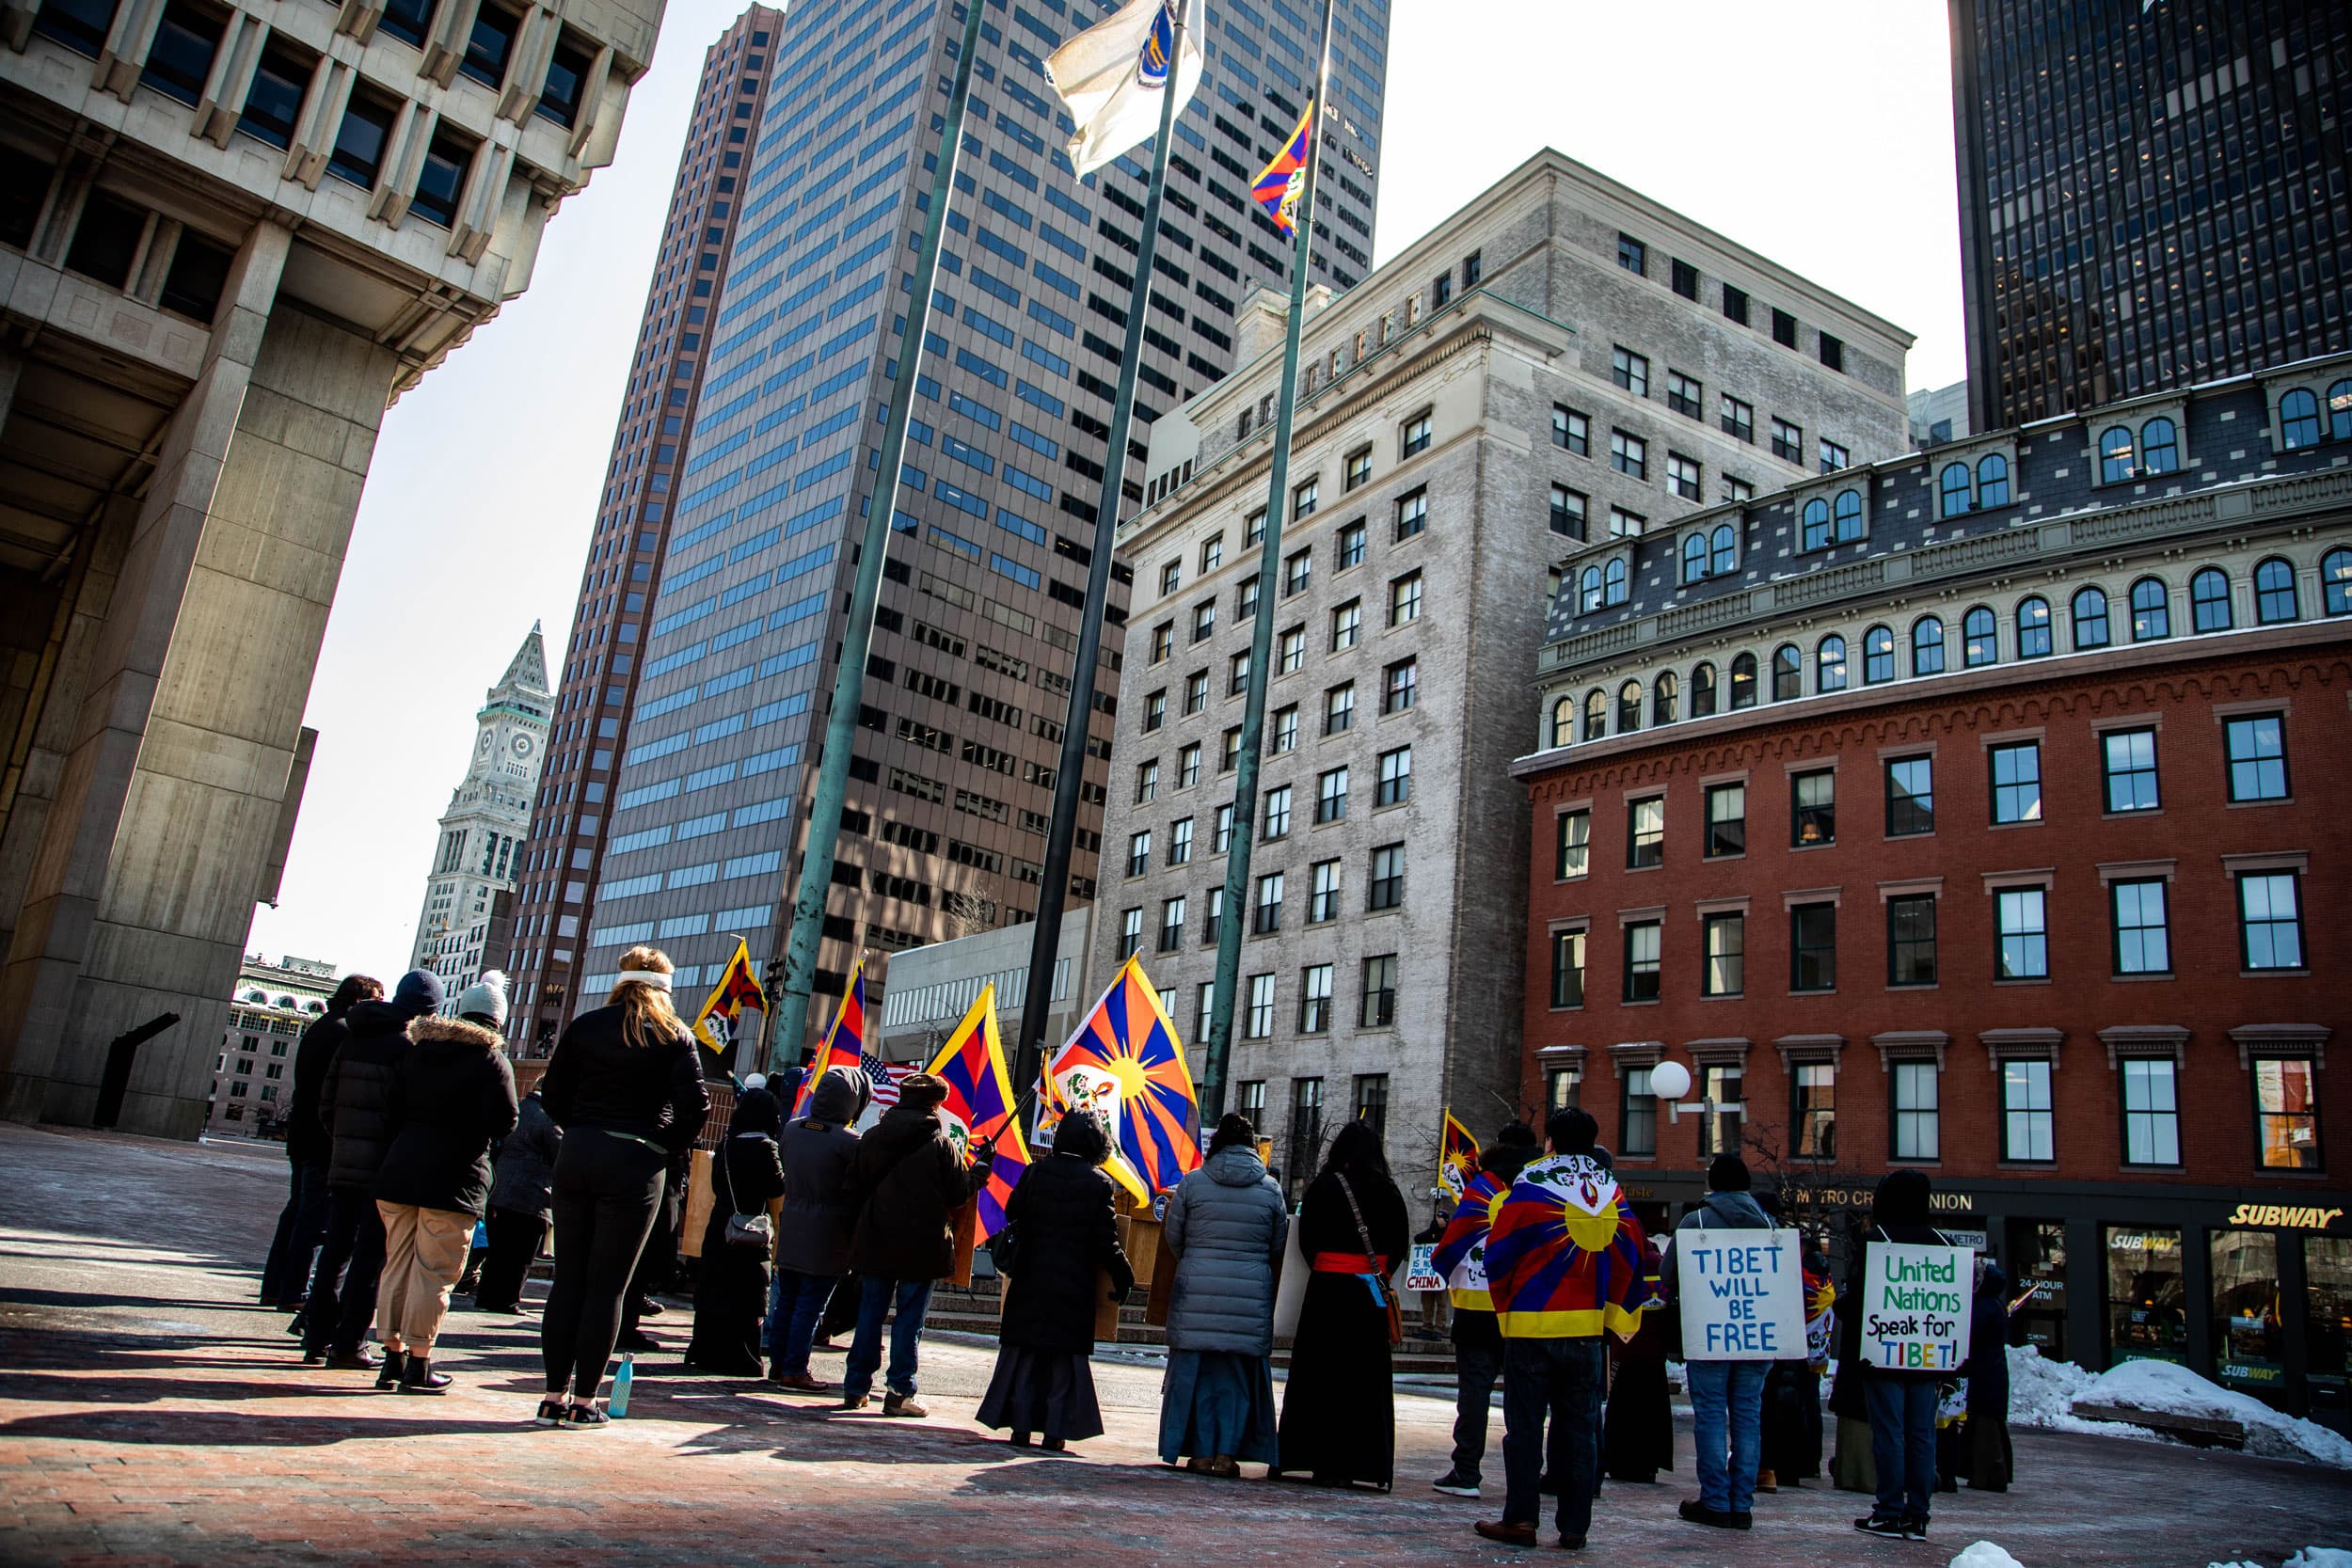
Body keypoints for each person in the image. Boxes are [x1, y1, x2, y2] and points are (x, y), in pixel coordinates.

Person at [536, 946, 710, 1428]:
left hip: (577, 1154)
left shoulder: (585, 1026)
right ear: (664, 988)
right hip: (635, 1163)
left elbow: (552, 1095)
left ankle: (552, 1394)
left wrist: (582, 1128)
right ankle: (586, 1401)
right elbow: (696, 1107)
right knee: (608, 1287)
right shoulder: (674, 1035)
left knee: (567, 1280)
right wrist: (660, 1144)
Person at [1474, 1106, 1650, 1552]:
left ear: (1549, 1140)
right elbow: (1635, 1251)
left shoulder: (1531, 1184)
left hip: (1533, 1326)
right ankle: (1575, 1526)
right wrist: (1613, 1311)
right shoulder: (1610, 1190)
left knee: (1526, 1428)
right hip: (1587, 1329)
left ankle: (1521, 1520)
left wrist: (1508, 1300)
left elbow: (1499, 1251)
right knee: (1579, 1429)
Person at [369, 973, 520, 1393]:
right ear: (497, 1020)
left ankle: (392, 1358)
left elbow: (392, 1107)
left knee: (396, 1264)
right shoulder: (491, 1059)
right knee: (434, 1274)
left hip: (400, 1172)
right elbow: (506, 1121)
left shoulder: (417, 1050)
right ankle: (419, 1363)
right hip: (454, 1180)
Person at [303, 970, 443, 1370]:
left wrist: (342, 1142)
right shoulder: (410, 1048)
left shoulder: (353, 1036)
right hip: (384, 1169)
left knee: (334, 1251)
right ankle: (349, 1343)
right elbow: (409, 1112)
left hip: (343, 1160)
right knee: (371, 1258)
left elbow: (326, 1102)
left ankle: (315, 1339)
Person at [839, 1071, 993, 1416]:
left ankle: (855, 1387)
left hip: (876, 1239)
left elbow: (853, 1188)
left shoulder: (873, 1137)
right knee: (909, 1320)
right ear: (936, 1104)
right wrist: (981, 1171)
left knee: (869, 1315)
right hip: (922, 1246)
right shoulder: (942, 1145)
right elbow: (958, 1192)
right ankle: (899, 1393)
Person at [978, 1108, 1134, 1449]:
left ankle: (1020, 1427)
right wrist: (1123, 1275)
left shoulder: (1035, 1173)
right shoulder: (1098, 1183)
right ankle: (1054, 1432)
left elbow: (1012, 1212)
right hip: (1072, 1284)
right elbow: (1105, 1241)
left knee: (1026, 1356)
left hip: (1031, 1276)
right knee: (1063, 1362)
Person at [1273, 1119, 1409, 1490]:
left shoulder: (1324, 1186)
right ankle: (1362, 1463)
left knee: (1320, 1375)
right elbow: (1399, 1246)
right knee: (1365, 1381)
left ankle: (1312, 1456)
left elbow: (1306, 1241)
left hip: (1327, 1294)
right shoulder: (1389, 1190)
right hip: (1369, 1295)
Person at [1157, 1113, 1287, 1477]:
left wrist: (1197, 1260)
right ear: (1252, 1147)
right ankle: (1228, 1455)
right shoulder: (1270, 1189)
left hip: (1196, 1293)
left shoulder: (1193, 1183)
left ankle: (1197, 1453)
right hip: (1248, 1297)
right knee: (1236, 1379)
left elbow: (1174, 1235)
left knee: (1196, 1378)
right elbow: (1277, 1244)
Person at [1427, 1122, 1539, 1499]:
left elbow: (1456, 1238)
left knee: (1474, 1391)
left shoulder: (1485, 1185)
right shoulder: (1539, 1187)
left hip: (1477, 1303)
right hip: (1524, 1305)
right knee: (1524, 1397)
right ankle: (1525, 1475)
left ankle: (1467, 1469)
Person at [1662, 1154, 1774, 1530]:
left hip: (1709, 1332)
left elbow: (1667, 1274)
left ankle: (1715, 1500)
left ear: (1712, 1183)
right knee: (1748, 1415)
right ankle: (1741, 1503)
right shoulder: (1769, 1225)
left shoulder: (1695, 1222)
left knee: (1710, 1414)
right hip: (1755, 1331)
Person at [1841, 1168, 1951, 1541]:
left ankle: (1888, 1511)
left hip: (1884, 1350)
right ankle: (1918, 1515)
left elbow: (1858, 1300)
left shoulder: (1877, 1239)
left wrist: (1844, 1306)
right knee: (1922, 1436)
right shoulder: (1943, 1243)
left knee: (1889, 1433)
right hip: (1929, 1351)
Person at [262, 974, 379, 1310]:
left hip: (301, 1135)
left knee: (296, 1211)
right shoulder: (344, 1033)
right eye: (376, 998)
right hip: (321, 1139)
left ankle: (275, 1286)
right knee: (311, 1219)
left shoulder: (322, 1026)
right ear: (360, 1000)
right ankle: (292, 1291)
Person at [767, 1066, 868, 1391]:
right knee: (811, 1305)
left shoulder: (793, 1130)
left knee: (787, 1301)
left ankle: (778, 1364)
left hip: (793, 1223)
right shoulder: (850, 1142)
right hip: (828, 1232)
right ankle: (795, 1369)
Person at [683, 1085, 788, 1375]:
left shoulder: (726, 1144)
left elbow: (717, 1184)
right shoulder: (767, 1147)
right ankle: (741, 1356)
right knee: (748, 1294)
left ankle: (704, 1350)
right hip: (752, 1229)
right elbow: (777, 1187)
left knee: (715, 1288)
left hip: (721, 1224)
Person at [473, 1086, 560, 1315]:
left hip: (501, 1189)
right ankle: (508, 1299)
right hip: (531, 1195)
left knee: (498, 1251)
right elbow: (559, 1151)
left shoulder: (520, 1109)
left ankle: (487, 1296)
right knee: (521, 1255)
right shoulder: (548, 1117)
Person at [1602, 1236, 1674, 1484]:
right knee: (1652, 1409)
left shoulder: (1623, 1260)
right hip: (1655, 1353)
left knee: (1623, 1409)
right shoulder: (1660, 1263)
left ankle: (1621, 1461)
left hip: (1626, 1347)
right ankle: (1649, 1464)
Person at [1961, 1259, 2013, 1492]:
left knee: (1986, 1430)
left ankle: (1988, 1475)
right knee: (1988, 1426)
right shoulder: (1994, 1304)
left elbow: (1970, 1332)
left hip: (1986, 1375)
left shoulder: (1984, 1306)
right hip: (1992, 1373)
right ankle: (1988, 1473)